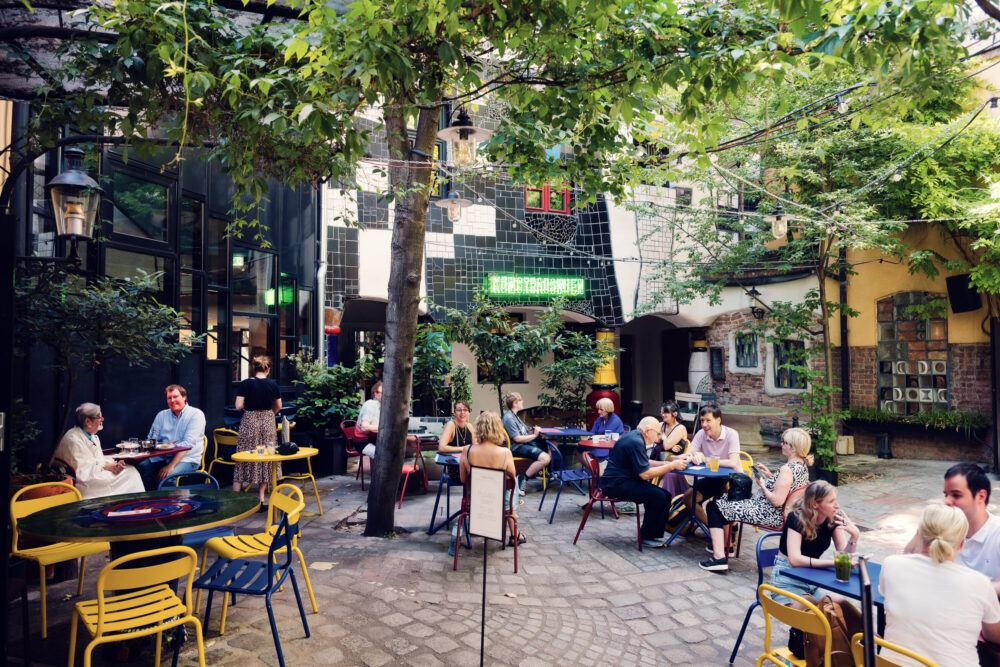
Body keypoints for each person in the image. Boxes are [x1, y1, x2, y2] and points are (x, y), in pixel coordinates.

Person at [881, 504, 1000, 667]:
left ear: (918, 534)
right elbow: (994, 636)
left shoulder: (891, 565)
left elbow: (908, 555)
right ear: (961, 544)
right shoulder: (979, 583)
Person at [700, 427, 812, 572]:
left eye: (785, 443)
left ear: (794, 448)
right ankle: (727, 547)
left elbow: (777, 501)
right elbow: (786, 487)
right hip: (775, 512)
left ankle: (719, 557)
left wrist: (763, 485)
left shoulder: (787, 469)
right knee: (724, 500)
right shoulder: (802, 466)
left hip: (768, 513)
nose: (781, 444)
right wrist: (769, 475)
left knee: (714, 506)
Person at [904, 462, 1000, 595]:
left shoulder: (996, 533)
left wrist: (966, 589)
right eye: (946, 495)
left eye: (956, 495)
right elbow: (908, 559)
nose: (947, 502)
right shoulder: (941, 526)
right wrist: (922, 530)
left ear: (981, 496)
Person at [598, 416, 690, 548]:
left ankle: (652, 532)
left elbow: (644, 462)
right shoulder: (636, 442)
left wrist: (665, 463)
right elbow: (645, 474)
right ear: (647, 431)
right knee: (658, 496)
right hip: (616, 485)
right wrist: (671, 466)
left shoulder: (635, 437)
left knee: (665, 495)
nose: (659, 436)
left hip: (623, 480)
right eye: (657, 433)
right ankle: (647, 536)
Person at [765, 480, 860, 597]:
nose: (837, 506)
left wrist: (854, 537)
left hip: (812, 576)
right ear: (815, 504)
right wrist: (834, 563)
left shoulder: (834, 520)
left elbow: (845, 558)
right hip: (787, 575)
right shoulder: (796, 518)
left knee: (840, 603)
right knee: (812, 606)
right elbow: (795, 560)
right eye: (831, 501)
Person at [50, 403, 144, 499]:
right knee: (131, 473)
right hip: (86, 485)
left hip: (94, 474)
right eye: (99, 417)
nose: (102, 419)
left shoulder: (90, 436)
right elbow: (83, 474)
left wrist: (114, 465)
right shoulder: (73, 440)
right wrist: (105, 467)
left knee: (129, 470)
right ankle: (132, 504)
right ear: (88, 421)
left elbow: (97, 459)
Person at [459, 411, 525, 546]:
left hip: (477, 502)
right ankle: (515, 535)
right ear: (498, 429)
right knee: (512, 483)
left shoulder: (467, 450)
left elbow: (463, 479)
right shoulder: (505, 453)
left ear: (478, 428)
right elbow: (511, 479)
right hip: (499, 503)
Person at [232, 355, 282, 505]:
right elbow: (278, 406)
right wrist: (269, 414)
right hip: (268, 421)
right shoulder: (273, 384)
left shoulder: (245, 384)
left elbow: (238, 406)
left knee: (243, 454)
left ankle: (235, 498)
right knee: (266, 455)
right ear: (268, 369)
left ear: (254, 368)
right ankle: (261, 498)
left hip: (250, 421)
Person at [137, 384, 206, 490]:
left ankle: (170, 501)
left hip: (188, 458)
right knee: (141, 468)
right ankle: (153, 497)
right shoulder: (161, 415)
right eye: (169, 398)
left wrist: (170, 465)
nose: (172, 400)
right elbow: (151, 439)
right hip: (164, 456)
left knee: (168, 477)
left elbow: (187, 445)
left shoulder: (196, 415)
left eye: (175, 397)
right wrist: (163, 445)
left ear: (184, 397)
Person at [684, 404, 741, 525]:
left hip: (733, 479)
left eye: (708, 420)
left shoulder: (731, 434)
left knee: (718, 506)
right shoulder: (701, 433)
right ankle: (711, 528)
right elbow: (688, 454)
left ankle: (727, 530)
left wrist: (706, 460)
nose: (704, 424)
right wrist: (695, 455)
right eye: (702, 421)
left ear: (718, 420)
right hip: (713, 478)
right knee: (688, 497)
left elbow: (733, 462)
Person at [501, 392, 551, 492]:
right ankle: (523, 478)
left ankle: (545, 473)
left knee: (553, 444)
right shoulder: (509, 418)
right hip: (517, 447)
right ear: (515, 403)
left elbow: (524, 432)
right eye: (520, 400)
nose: (522, 401)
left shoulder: (515, 416)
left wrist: (532, 431)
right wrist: (534, 435)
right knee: (545, 458)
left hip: (524, 444)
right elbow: (517, 438)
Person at [658, 401, 690, 497]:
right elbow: (653, 440)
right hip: (660, 459)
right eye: (662, 412)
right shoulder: (661, 424)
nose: (663, 415)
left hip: (675, 462)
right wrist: (670, 445)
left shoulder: (680, 428)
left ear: (675, 414)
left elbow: (666, 446)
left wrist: (663, 437)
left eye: (666, 412)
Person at [356, 380, 382, 458]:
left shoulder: (382, 406)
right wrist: (383, 427)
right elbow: (364, 427)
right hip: (363, 442)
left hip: (376, 440)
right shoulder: (370, 405)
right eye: (383, 393)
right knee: (382, 456)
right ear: (375, 394)